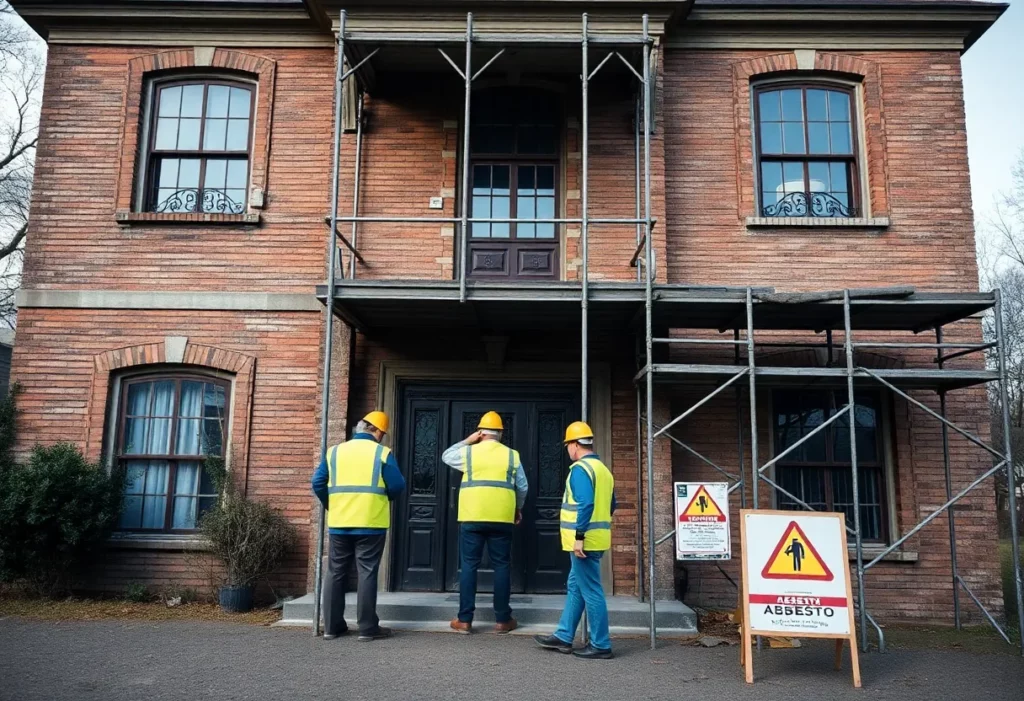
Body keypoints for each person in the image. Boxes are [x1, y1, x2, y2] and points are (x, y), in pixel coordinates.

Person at [312, 410, 405, 642]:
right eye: (382, 434)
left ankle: (331, 627)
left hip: (340, 521)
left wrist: (332, 504)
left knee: (335, 571)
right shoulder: (382, 453)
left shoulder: (334, 452)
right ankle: (367, 629)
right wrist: (382, 499)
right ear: (378, 431)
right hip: (370, 522)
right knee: (367, 572)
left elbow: (317, 482)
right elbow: (397, 485)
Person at [534, 420, 616, 659]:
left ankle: (601, 645)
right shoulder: (603, 470)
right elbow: (612, 505)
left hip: (584, 542)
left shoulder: (580, 469)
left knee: (591, 590)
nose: (567, 450)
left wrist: (580, 536)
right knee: (576, 586)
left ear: (574, 444)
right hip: (597, 538)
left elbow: (586, 503)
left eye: (567, 445)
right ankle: (564, 635)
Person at [442, 411, 528, 634]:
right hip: (501, 518)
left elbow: (446, 456)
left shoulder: (469, 453)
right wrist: (517, 508)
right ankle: (503, 620)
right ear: (501, 433)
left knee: (469, 565)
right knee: (501, 566)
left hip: (472, 516)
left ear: (481, 432)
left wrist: (468, 440)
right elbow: (523, 486)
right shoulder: (512, 456)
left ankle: (464, 620)